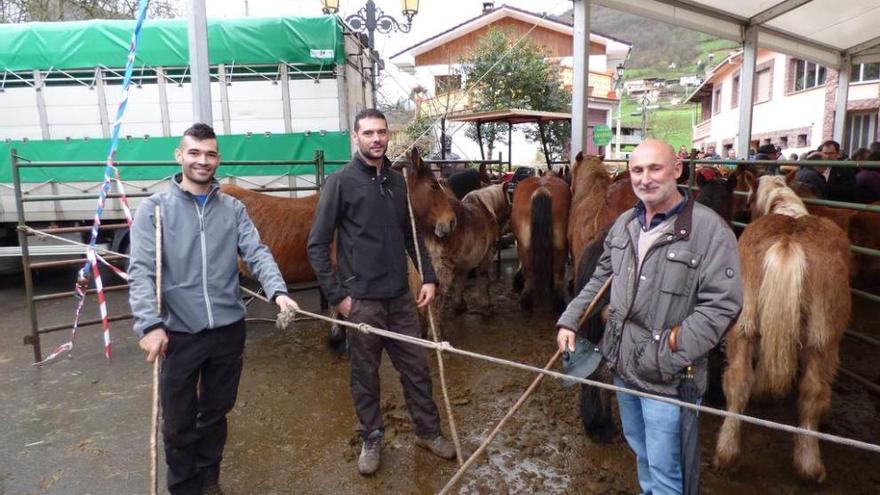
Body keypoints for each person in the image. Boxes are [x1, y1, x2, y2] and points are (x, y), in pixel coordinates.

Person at [555, 139, 743, 495]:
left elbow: (724, 304)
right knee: (642, 454)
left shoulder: (709, 230)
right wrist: (570, 319)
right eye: (637, 170)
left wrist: (671, 346)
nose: (645, 179)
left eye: (655, 168)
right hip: (625, 369)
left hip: (669, 377)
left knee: (669, 469)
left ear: (677, 171)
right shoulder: (625, 224)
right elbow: (600, 277)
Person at [128, 123, 299, 495]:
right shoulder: (155, 211)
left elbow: (257, 253)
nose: (202, 161)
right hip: (178, 333)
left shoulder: (233, 209)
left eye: (209, 154)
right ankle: (184, 487)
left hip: (227, 330)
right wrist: (150, 325)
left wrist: (278, 291)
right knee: (177, 422)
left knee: (216, 412)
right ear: (180, 156)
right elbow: (140, 271)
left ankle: (209, 479)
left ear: (218, 158)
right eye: (194, 153)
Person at [307, 108, 455, 476]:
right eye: (368, 133)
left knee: (416, 369)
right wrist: (339, 296)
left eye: (382, 132)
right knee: (365, 375)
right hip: (362, 302)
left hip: (400, 299)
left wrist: (429, 277)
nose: (376, 139)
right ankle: (371, 437)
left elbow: (410, 236)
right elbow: (317, 243)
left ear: (389, 136)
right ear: (355, 137)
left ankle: (428, 431)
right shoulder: (340, 182)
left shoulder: (396, 182)